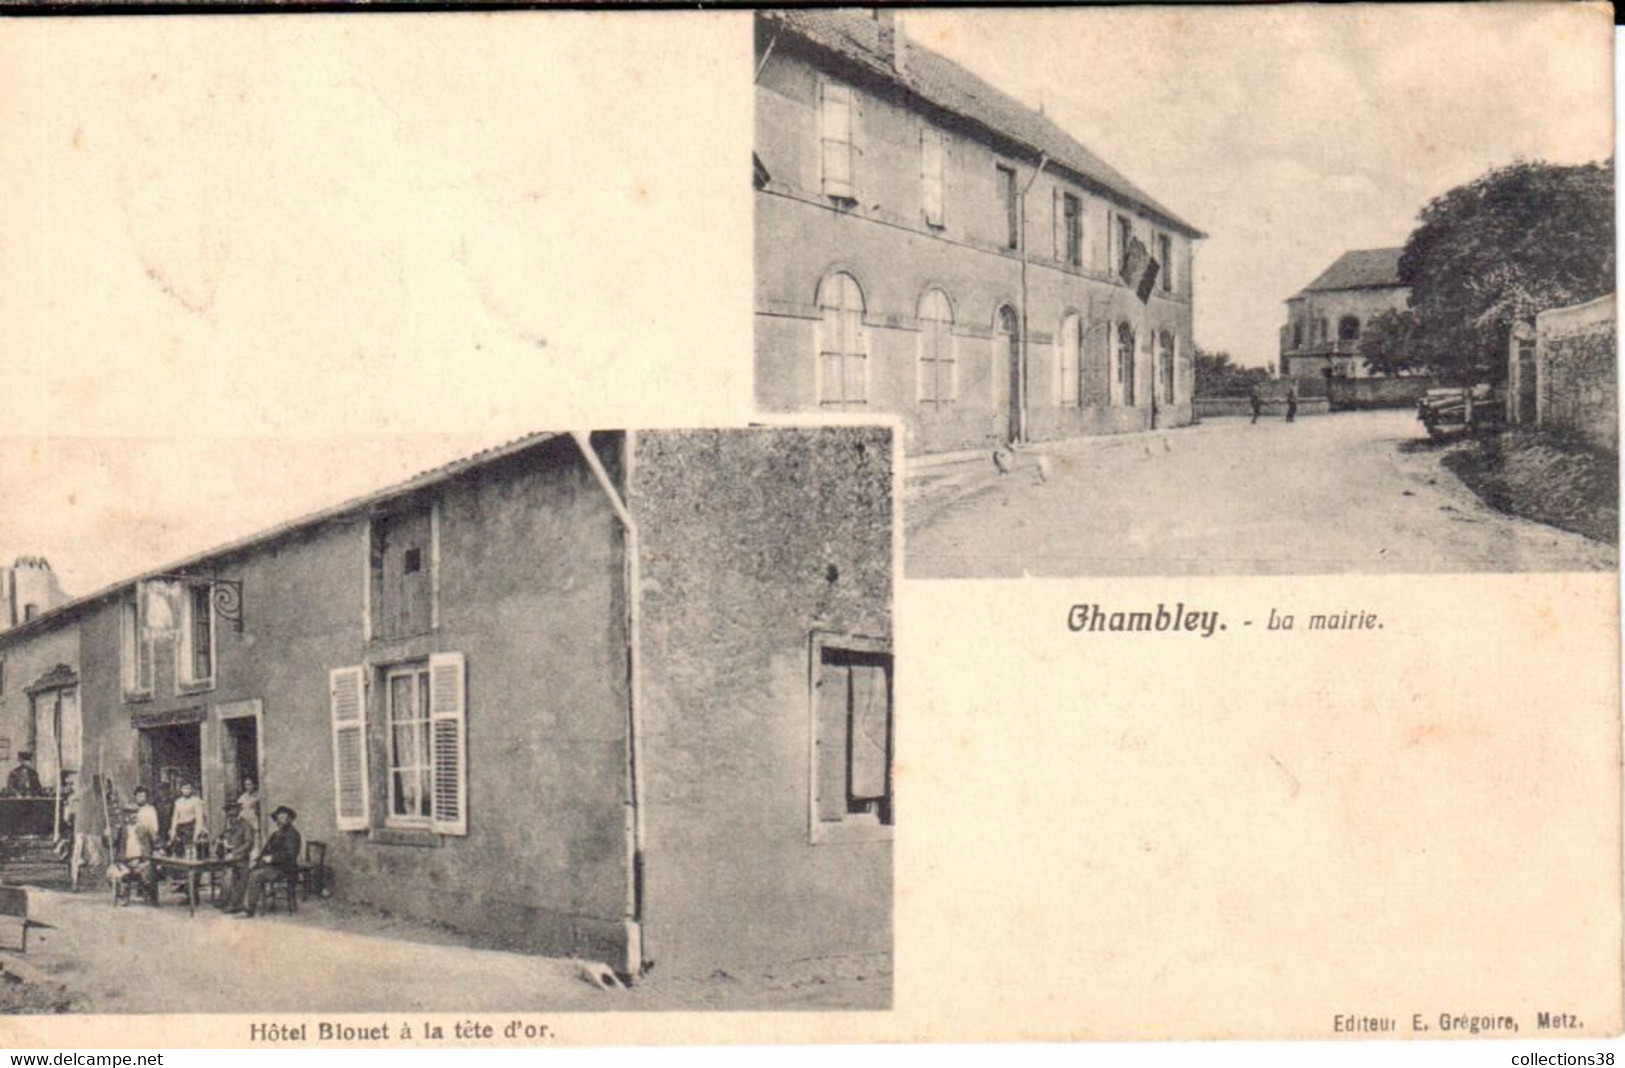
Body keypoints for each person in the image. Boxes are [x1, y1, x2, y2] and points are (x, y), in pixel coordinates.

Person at [233, 805, 301, 918]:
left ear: (289, 819)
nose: (281, 820)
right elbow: (265, 850)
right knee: (246, 870)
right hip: (272, 867)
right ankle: (239, 904)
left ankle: (249, 910)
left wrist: (272, 858)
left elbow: (291, 855)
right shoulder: (276, 834)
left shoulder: (292, 834)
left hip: (285, 869)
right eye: (279, 818)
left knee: (256, 875)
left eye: (284, 818)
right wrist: (257, 861)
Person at [64, 778, 106, 892]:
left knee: (80, 856)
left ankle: (77, 881)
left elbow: (67, 818)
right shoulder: (96, 798)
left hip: (83, 830)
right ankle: (80, 881)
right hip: (88, 830)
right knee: (92, 855)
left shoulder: (76, 797)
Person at [110, 804, 157, 905]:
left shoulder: (143, 828)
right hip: (123, 862)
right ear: (125, 816)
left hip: (140, 861)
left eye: (135, 813)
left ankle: (149, 894)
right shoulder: (120, 829)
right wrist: (107, 835)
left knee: (149, 872)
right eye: (129, 813)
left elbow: (153, 843)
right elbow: (110, 843)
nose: (132, 816)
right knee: (113, 874)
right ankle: (123, 896)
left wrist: (148, 857)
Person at [215, 802, 255, 912]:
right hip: (228, 857)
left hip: (241, 858)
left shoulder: (246, 825)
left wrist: (235, 853)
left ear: (238, 811)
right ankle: (224, 899)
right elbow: (221, 837)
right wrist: (220, 841)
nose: (230, 814)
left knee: (236, 876)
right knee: (226, 874)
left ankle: (235, 904)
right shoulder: (228, 825)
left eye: (233, 811)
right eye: (228, 812)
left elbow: (249, 843)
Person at [168, 781, 207, 857]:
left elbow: (199, 817)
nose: (186, 790)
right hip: (180, 828)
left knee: (191, 850)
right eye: (184, 788)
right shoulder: (178, 802)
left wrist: (197, 832)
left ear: (192, 789)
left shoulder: (196, 801)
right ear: (181, 790)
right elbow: (175, 817)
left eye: (188, 788)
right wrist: (173, 830)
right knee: (178, 849)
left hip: (190, 828)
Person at [235, 778, 263, 845]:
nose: (248, 786)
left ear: (253, 785)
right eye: (246, 785)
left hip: (254, 820)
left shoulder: (258, 796)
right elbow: (240, 810)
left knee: (256, 840)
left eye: (250, 784)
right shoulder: (242, 797)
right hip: (246, 820)